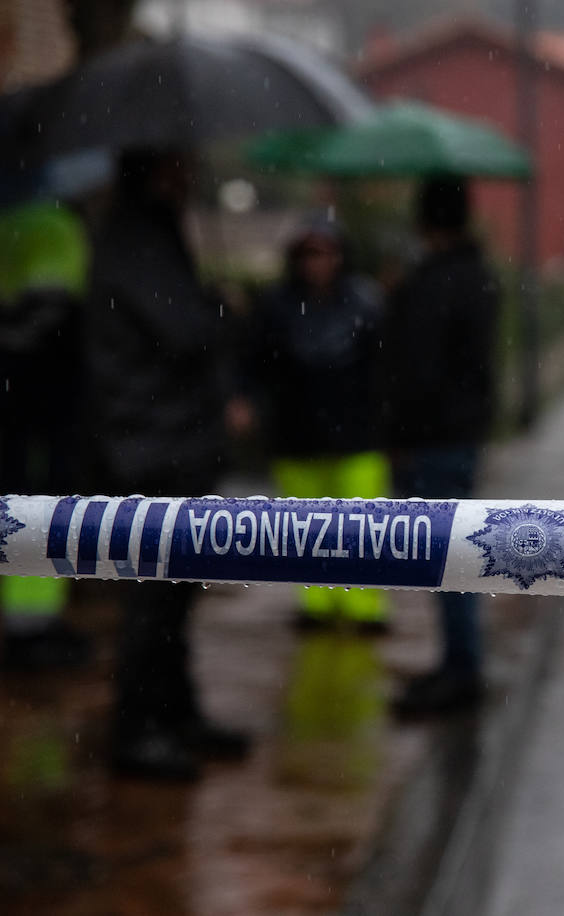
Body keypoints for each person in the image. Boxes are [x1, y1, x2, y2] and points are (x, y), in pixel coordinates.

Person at [85, 147, 250, 780]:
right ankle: (137, 730)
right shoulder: (135, 242)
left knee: (175, 591)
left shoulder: (150, 234)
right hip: (152, 445)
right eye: (179, 164)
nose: (189, 173)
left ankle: (176, 713)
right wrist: (221, 308)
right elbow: (183, 331)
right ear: (155, 171)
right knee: (153, 597)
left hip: (171, 439)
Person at [382, 177, 498, 717]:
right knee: (456, 552)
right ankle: (459, 662)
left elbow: (417, 371)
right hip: (462, 433)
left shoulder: (431, 284)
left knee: (447, 556)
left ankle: (461, 670)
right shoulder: (478, 277)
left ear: (424, 221)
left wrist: (401, 437)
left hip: (434, 440)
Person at [249, 217, 389, 633]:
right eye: (309, 254)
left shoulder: (365, 302)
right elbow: (256, 361)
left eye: (325, 253)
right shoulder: (276, 306)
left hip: (357, 436)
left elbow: (384, 368)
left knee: (364, 528)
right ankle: (317, 602)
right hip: (298, 436)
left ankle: (364, 606)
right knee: (303, 528)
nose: (317, 263)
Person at [0, 199, 91, 669]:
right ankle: (32, 629)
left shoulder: (13, 221)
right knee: (39, 510)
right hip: (42, 415)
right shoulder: (59, 225)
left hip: (25, 411)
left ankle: (32, 625)